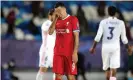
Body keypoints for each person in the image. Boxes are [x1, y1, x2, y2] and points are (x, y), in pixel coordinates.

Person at [89, 6, 132, 80]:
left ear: (107, 12)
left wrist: (93, 47)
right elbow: (124, 39)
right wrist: (128, 48)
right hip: (115, 47)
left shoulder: (103, 22)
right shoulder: (121, 23)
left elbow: (98, 36)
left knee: (107, 70)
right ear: (115, 13)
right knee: (114, 69)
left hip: (105, 47)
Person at [48, 2, 80, 80]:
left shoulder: (73, 19)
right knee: (58, 76)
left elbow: (76, 37)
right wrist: (55, 19)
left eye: (59, 11)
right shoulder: (56, 20)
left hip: (69, 53)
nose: (58, 13)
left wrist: (75, 53)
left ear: (64, 9)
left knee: (70, 76)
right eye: (56, 11)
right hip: (58, 52)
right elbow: (50, 32)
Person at [36, 9, 56, 80]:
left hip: (55, 50)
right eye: (55, 15)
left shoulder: (58, 24)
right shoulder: (46, 23)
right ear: (50, 15)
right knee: (43, 69)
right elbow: (50, 31)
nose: (57, 16)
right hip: (46, 50)